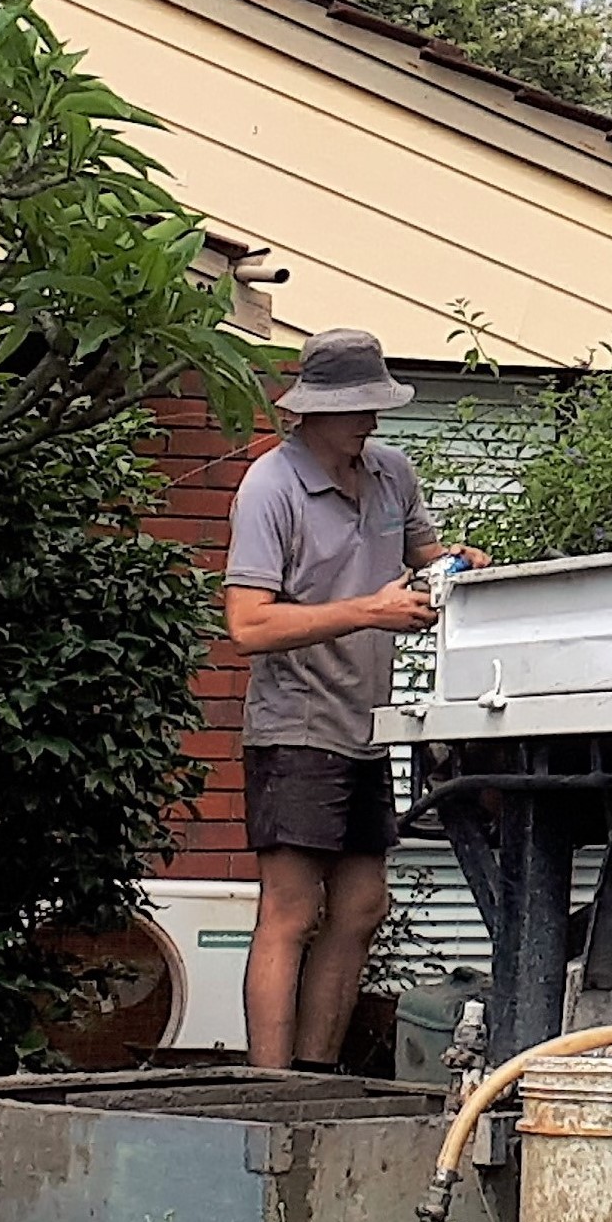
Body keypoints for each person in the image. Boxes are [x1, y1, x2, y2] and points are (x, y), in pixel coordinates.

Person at [222, 328, 481, 1070]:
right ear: (313, 411)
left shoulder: (391, 472)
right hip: (295, 725)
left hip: (366, 724)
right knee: (292, 909)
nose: (372, 420)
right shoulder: (271, 487)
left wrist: (457, 565)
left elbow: (422, 555)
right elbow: (247, 622)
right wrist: (368, 611)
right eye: (357, 407)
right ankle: (270, 1088)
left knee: (363, 906)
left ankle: (315, 1070)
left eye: (377, 404)